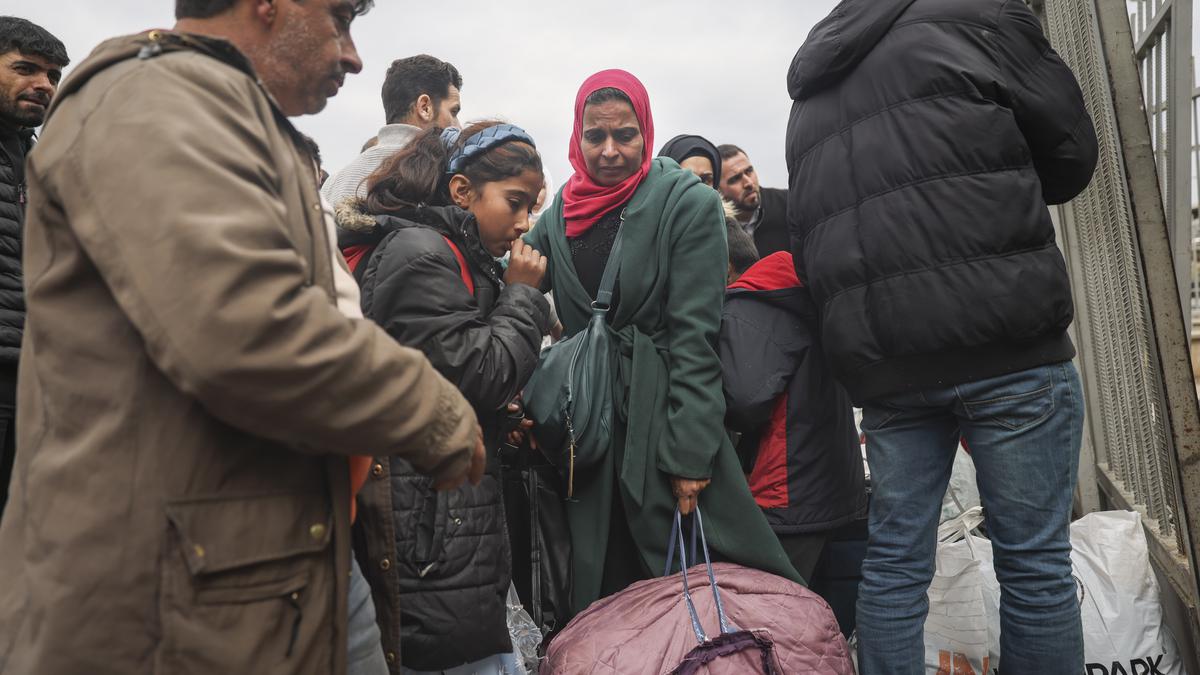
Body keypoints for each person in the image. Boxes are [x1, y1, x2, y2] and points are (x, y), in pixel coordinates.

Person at [0, 2, 489, 674]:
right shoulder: (152, 100)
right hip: (155, 608)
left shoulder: (223, 116)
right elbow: (243, 324)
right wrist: (432, 408)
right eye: (339, 19)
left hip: (238, 576)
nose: (352, 56)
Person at [785, 0, 1098, 672]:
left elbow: (809, 243)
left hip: (889, 366)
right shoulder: (980, 17)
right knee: (1035, 568)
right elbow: (1072, 156)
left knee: (894, 565)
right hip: (1006, 338)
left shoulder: (812, 81)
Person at [525, 69, 801, 614]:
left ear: (646, 132)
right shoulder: (559, 213)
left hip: (661, 425)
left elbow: (695, 339)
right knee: (602, 597)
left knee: (688, 592)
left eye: (624, 134)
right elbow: (517, 275)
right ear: (575, 137)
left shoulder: (686, 204)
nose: (608, 150)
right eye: (593, 135)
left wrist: (690, 455)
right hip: (589, 436)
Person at [337, 121, 553, 674]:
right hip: (428, 531)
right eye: (515, 203)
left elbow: (444, 378)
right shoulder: (421, 252)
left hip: (440, 520)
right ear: (461, 192)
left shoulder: (444, 249)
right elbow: (481, 371)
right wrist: (523, 298)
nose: (525, 223)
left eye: (532, 207)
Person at [719, 233, 867, 582]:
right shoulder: (799, 288)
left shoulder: (747, 307)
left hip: (784, 485)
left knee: (777, 614)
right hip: (831, 482)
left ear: (723, 266)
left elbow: (743, 401)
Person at [0, 16, 67, 522]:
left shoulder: (33, 157)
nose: (43, 85)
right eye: (25, 68)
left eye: (52, 76)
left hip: (26, 368)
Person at [323, 53, 463, 205]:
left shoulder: (332, 184)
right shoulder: (450, 181)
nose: (458, 126)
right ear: (424, 108)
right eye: (453, 112)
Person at [717, 143, 789, 256]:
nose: (748, 183)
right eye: (735, 179)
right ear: (718, 190)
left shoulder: (788, 204)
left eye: (749, 171)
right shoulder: (717, 229)